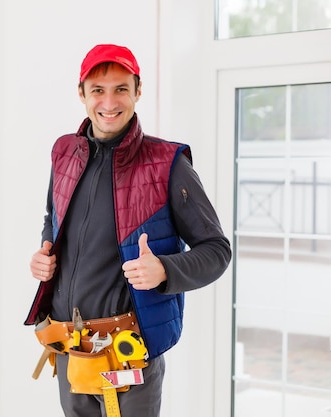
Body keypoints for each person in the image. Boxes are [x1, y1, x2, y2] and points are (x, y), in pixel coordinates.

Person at [25, 44, 232, 417]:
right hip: (70, 348)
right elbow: (51, 219)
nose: (109, 102)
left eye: (121, 88)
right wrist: (44, 256)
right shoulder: (63, 153)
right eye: (98, 90)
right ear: (82, 94)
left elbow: (217, 250)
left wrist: (166, 270)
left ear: (138, 91)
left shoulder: (166, 163)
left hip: (129, 352)